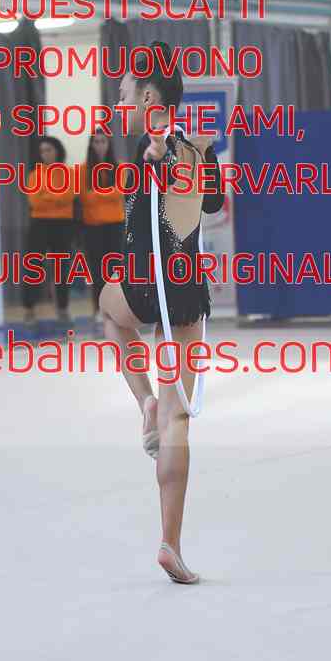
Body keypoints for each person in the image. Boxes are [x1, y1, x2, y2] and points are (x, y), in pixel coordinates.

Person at [99, 41, 224, 585]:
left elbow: (158, 158)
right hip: (188, 295)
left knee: (108, 309)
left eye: (124, 92)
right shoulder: (195, 147)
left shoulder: (154, 145)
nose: (117, 100)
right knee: (180, 421)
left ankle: (143, 399)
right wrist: (196, 158)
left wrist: (157, 153)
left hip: (145, 287)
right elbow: (213, 203)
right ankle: (170, 542)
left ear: (149, 98)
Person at [23, 136, 76, 324]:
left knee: (62, 267)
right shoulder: (34, 175)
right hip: (40, 223)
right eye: (42, 151)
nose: (45, 154)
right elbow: (34, 201)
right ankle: (29, 309)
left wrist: (46, 195)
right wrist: (56, 197)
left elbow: (69, 196)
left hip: (63, 224)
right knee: (33, 265)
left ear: (57, 151)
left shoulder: (69, 173)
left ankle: (63, 308)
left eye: (48, 150)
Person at [78, 130, 125, 324]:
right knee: (97, 270)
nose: (99, 145)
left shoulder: (119, 167)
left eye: (103, 141)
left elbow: (119, 193)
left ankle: (117, 307)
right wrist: (107, 194)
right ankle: (99, 308)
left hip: (115, 224)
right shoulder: (83, 170)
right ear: (91, 145)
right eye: (96, 142)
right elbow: (85, 197)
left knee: (116, 268)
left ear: (109, 144)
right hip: (93, 226)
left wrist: (97, 194)